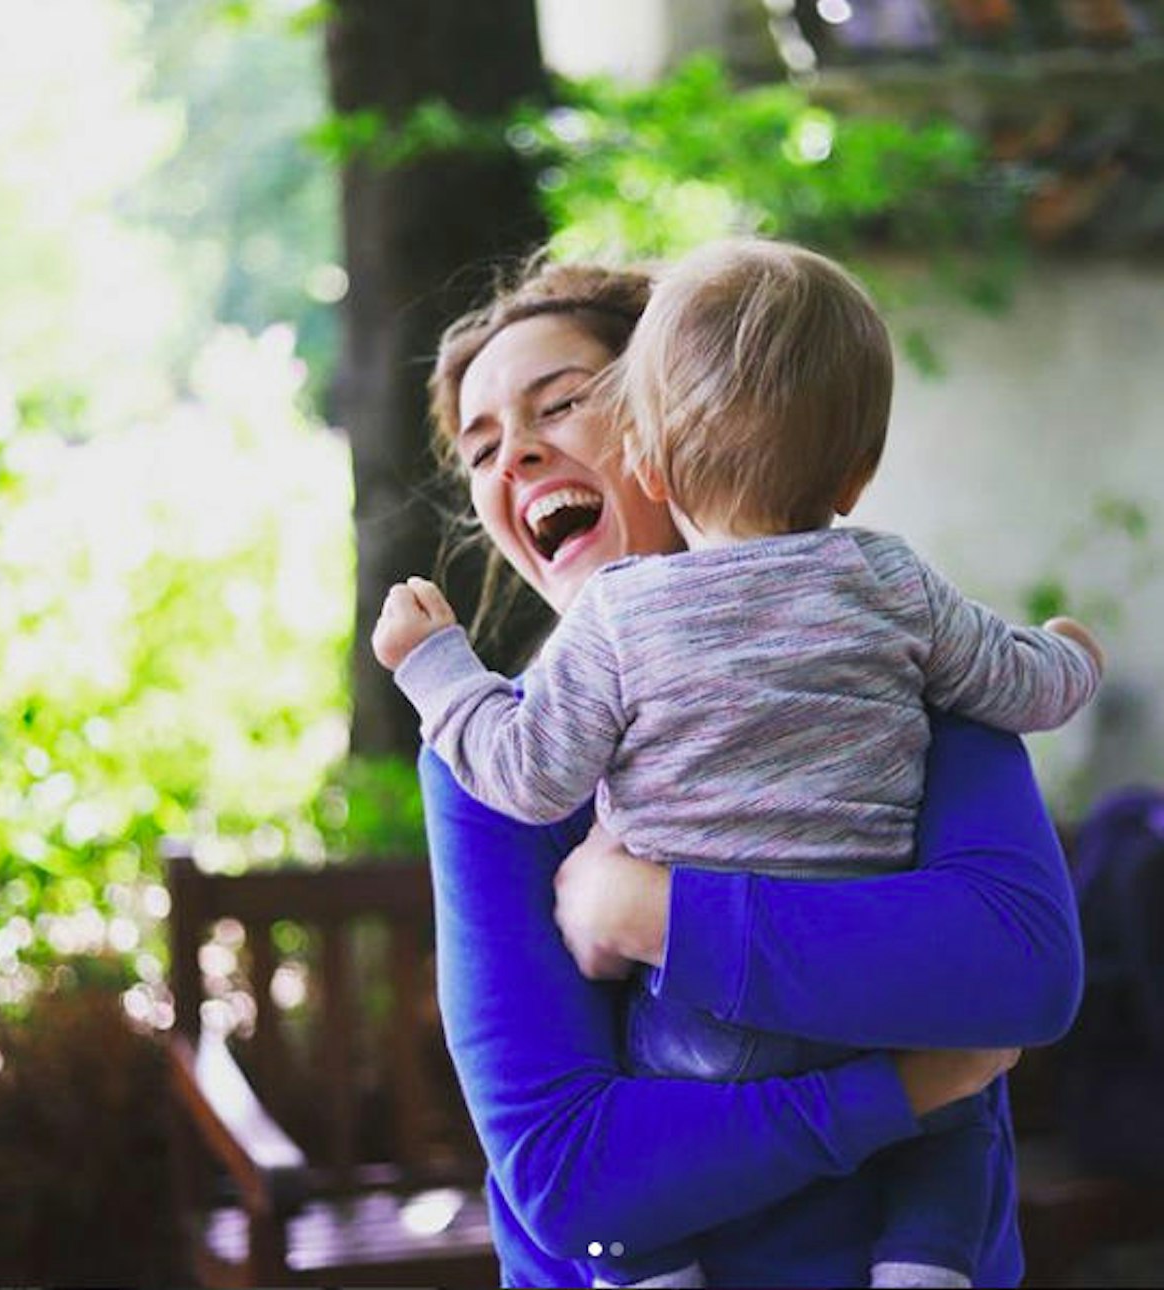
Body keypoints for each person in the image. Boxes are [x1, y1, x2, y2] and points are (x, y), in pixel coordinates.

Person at [375, 240, 1101, 1288]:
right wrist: (901, 1089)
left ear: (678, 412)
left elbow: (1022, 971)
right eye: (481, 449)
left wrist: (646, 910)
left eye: (561, 403)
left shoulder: (901, 665)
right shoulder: (482, 763)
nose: (513, 456)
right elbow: (571, 1178)